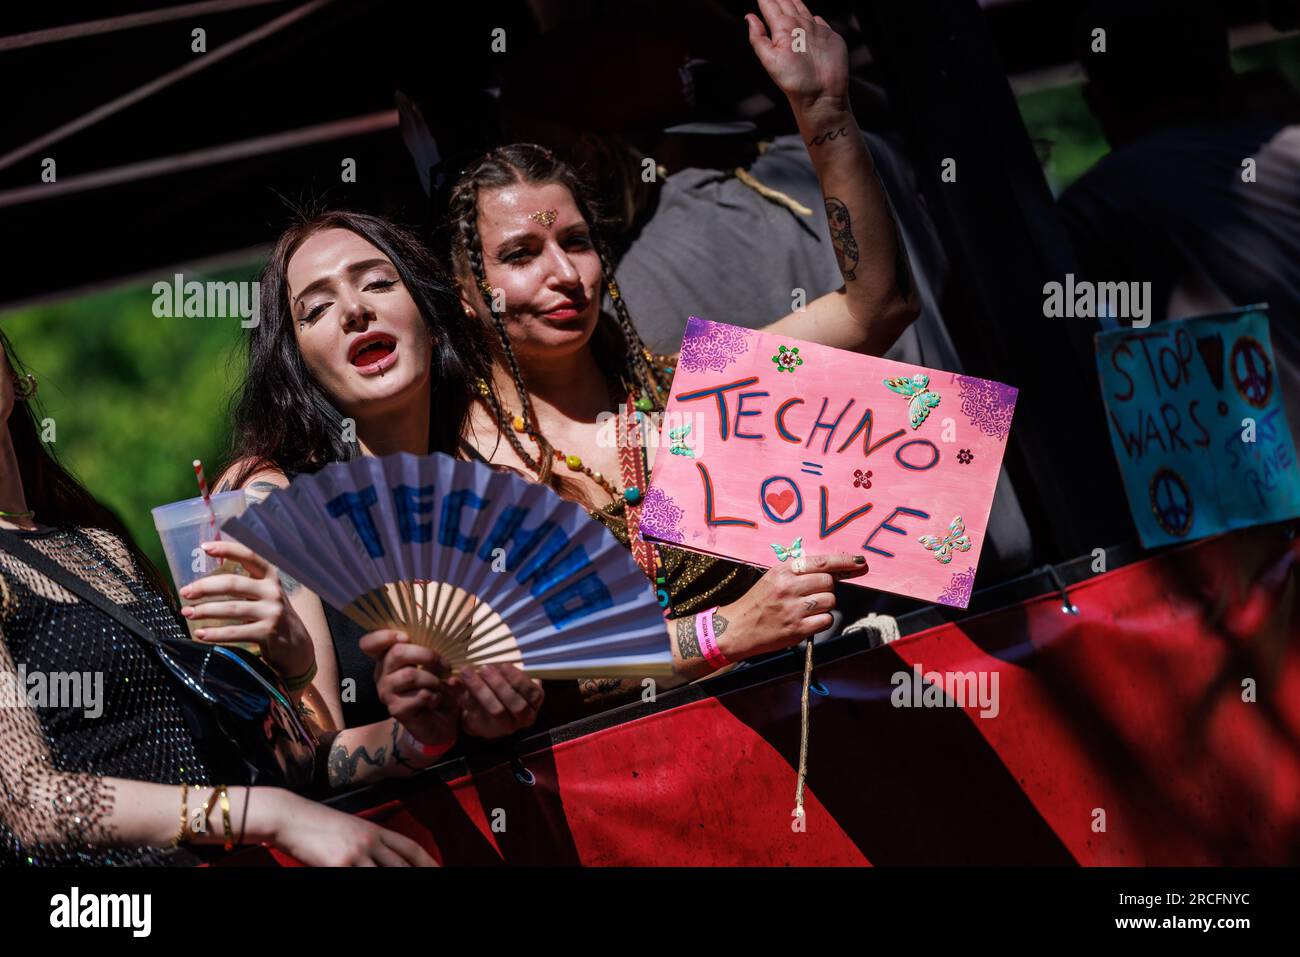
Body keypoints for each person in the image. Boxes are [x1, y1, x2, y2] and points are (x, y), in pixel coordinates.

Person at [441, 1, 917, 708]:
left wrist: (823, 112)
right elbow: (512, 681)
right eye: (519, 254)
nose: (565, 275)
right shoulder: (455, 469)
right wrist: (724, 631)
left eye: (575, 242)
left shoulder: (696, 390)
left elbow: (877, 304)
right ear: (465, 295)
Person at [0, 333, 452, 866]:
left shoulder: (98, 548)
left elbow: (275, 761)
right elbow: (31, 803)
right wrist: (273, 816)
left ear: (12, 372)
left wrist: (299, 668)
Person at [219, 210, 547, 736]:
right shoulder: (267, 499)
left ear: (434, 324)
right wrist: (411, 738)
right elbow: (297, 755)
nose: (354, 309)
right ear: (297, 365)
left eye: (378, 282)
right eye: (317, 309)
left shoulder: (509, 499)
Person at [1059, 0, 1300, 443]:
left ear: (1099, 99)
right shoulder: (1291, 148)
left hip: (1257, 485)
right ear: (1225, 71)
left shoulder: (1100, 202)